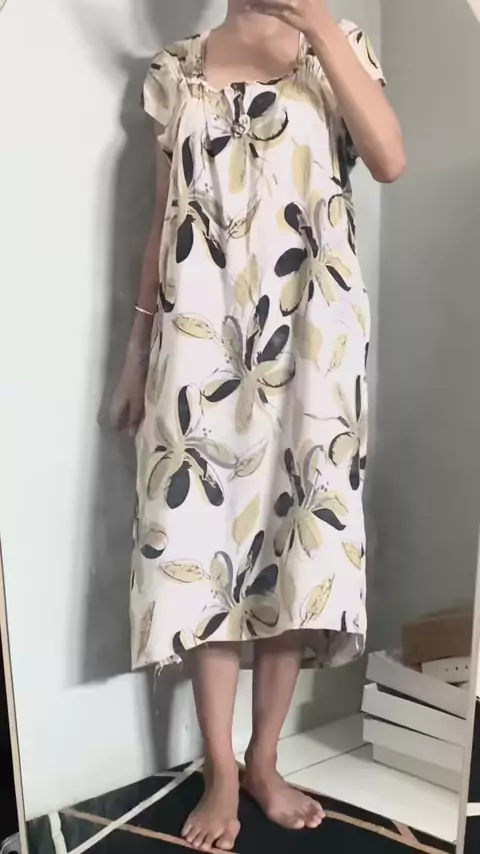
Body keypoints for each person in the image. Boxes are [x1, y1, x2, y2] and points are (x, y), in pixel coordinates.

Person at [111, 0, 405, 850]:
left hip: (312, 340)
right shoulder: (177, 69)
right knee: (199, 536)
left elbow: (388, 159)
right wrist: (134, 353)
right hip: (198, 338)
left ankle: (264, 759)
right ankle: (219, 768)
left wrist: (319, 26)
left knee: (295, 542)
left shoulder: (339, 48)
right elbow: (162, 224)